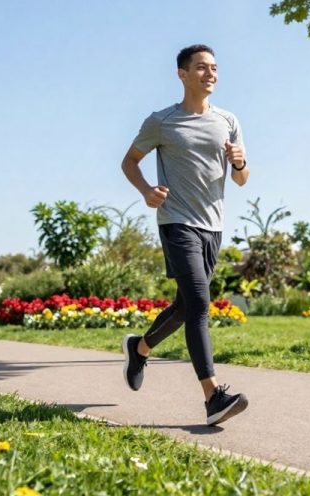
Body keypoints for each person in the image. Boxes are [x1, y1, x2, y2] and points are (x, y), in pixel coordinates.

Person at [120, 44, 250, 427]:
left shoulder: (228, 120)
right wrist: (146, 191)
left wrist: (239, 162)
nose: (210, 73)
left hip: (214, 226)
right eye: (201, 68)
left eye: (214, 67)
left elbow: (242, 179)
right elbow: (129, 160)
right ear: (182, 74)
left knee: (184, 307)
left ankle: (139, 348)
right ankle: (213, 397)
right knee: (199, 303)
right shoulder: (162, 121)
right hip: (176, 222)